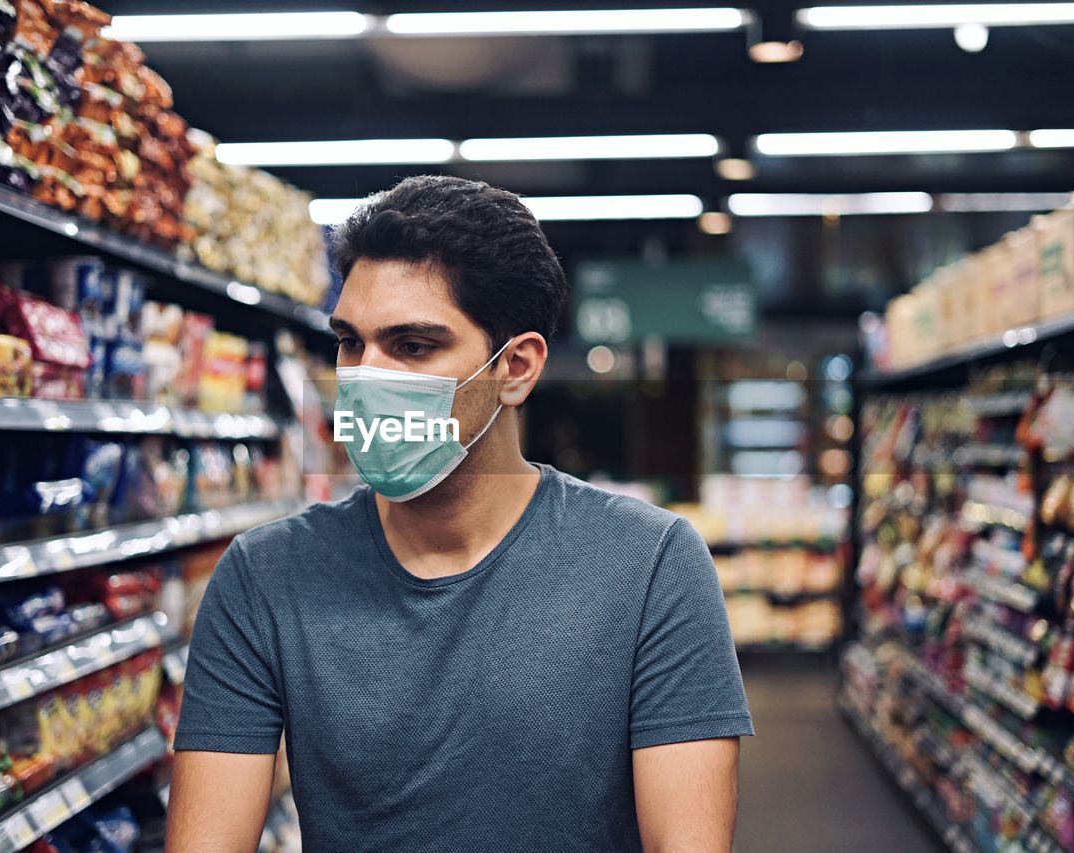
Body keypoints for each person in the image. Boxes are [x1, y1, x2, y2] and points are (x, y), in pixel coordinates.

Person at [166, 175, 753, 853]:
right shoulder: (264, 576)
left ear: (517, 366)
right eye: (352, 343)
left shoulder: (651, 565)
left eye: (413, 346)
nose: (365, 377)